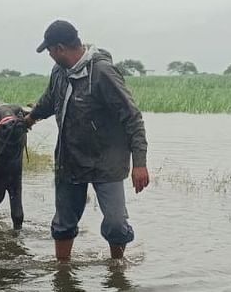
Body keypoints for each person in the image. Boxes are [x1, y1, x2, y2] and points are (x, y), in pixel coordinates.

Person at [26, 20, 149, 262]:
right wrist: (30, 118)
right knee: (63, 222)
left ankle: (117, 268)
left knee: (115, 223)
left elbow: (132, 117)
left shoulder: (103, 73)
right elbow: (50, 100)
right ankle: (62, 272)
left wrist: (140, 163)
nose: (49, 55)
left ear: (60, 48)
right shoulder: (59, 72)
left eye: (50, 50)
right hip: (70, 159)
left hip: (106, 161)